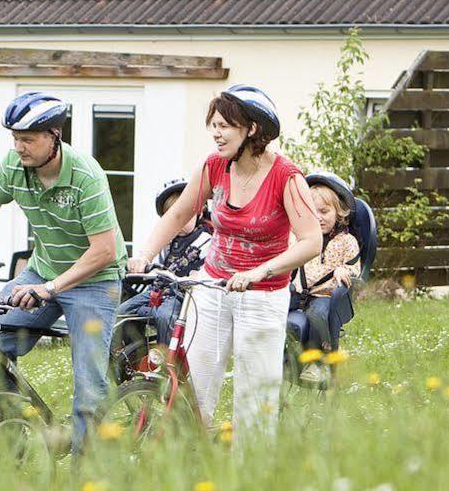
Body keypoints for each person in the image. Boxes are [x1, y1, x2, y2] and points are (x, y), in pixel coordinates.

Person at [130, 85, 320, 445]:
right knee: (194, 387)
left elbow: (312, 241)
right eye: (212, 125)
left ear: (251, 129)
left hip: (262, 296)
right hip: (213, 287)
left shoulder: (286, 177)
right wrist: (145, 253)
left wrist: (259, 272)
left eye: (224, 126)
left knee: (254, 398)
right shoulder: (214, 167)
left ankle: (252, 477)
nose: (215, 133)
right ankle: (188, 464)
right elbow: (180, 214)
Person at [0, 92, 126, 452]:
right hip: (44, 271)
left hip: (95, 281)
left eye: (27, 139)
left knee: (89, 384)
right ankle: (30, 430)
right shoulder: (14, 166)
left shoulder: (85, 176)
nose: (19, 147)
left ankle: (85, 470)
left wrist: (51, 288)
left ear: (54, 136)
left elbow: (104, 251)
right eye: (15, 138)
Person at [111, 179, 212, 383]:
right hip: (158, 292)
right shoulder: (167, 242)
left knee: (166, 316)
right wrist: (142, 265)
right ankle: (134, 356)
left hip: (181, 296)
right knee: (121, 311)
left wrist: (197, 276)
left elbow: (208, 270)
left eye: (185, 215)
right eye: (173, 216)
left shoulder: (206, 240)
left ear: (199, 211)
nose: (179, 221)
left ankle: (171, 366)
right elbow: (156, 265)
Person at [290, 173, 361, 383]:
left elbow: (355, 269)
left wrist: (344, 271)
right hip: (299, 292)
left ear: (339, 213)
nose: (318, 217)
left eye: (324, 211)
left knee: (317, 315)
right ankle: (274, 356)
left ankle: (316, 362)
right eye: (312, 212)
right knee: (272, 307)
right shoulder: (301, 238)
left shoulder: (346, 241)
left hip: (326, 296)